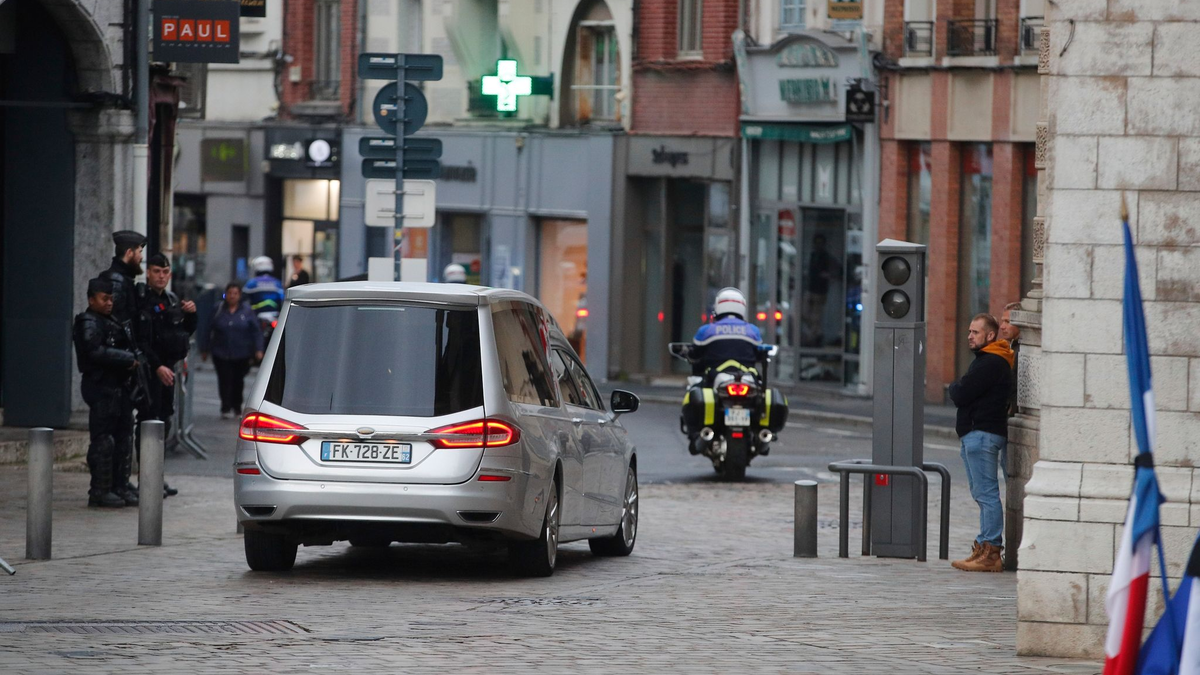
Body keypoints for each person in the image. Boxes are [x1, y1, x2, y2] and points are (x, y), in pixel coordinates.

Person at [948, 313, 1014, 573]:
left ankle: (990, 551)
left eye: (975, 332)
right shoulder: (989, 360)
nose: (969, 337)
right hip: (979, 433)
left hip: (982, 433)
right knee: (982, 493)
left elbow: (961, 392)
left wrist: (955, 387)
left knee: (986, 494)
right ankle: (985, 547)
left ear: (990, 335)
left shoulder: (991, 362)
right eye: (969, 332)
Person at [73, 277, 140, 508]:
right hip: (101, 388)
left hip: (118, 388)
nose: (109, 302)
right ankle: (100, 489)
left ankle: (118, 485)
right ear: (92, 299)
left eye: (111, 298)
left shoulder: (111, 320)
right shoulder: (88, 322)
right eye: (104, 298)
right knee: (104, 440)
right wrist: (127, 359)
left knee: (123, 437)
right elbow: (94, 351)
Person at [137, 254, 197, 498]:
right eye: (156, 271)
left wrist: (191, 314)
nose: (161, 276)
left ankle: (156, 476)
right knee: (147, 422)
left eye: (165, 272)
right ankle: (146, 479)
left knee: (164, 422)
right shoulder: (141, 300)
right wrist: (156, 366)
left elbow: (181, 333)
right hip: (149, 372)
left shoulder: (172, 299)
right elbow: (141, 340)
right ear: (148, 273)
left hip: (168, 371)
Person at [102, 230, 150, 498]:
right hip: (116, 370)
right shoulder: (117, 283)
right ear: (129, 252)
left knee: (124, 430)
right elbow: (118, 328)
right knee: (112, 432)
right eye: (139, 252)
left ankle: (120, 483)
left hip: (125, 367)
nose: (141, 256)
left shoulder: (125, 281)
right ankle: (108, 486)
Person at [203, 283, 264, 419]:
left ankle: (237, 406)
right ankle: (225, 406)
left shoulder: (247, 311)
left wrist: (259, 349)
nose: (232, 296)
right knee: (224, 379)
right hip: (221, 352)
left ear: (239, 295)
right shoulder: (218, 309)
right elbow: (208, 328)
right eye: (230, 293)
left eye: (235, 293)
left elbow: (256, 331)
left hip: (241, 353)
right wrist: (205, 348)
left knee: (238, 380)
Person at [689, 287, 763, 378]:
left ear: (717, 306)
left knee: (694, 388)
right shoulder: (753, 330)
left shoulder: (706, 330)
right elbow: (760, 354)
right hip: (746, 378)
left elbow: (695, 354)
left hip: (714, 377)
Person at [243, 256, 285, 321]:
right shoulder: (277, 283)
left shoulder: (252, 283)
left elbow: (243, 297)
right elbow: (283, 299)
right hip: (275, 315)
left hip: (256, 315)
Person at [1000, 302, 1022, 417]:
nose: (1002, 326)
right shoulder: (1011, 347)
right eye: (1002, 321)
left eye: (1007, 322)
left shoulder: (1022, 351)